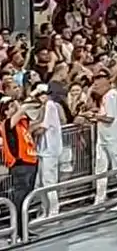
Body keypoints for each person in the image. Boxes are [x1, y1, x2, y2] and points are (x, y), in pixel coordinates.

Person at [89, 72, 117, 206]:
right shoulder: (106, 97)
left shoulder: (111, 95)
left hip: (115, 138)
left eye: (97, 85)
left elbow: (110, 118)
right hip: (104, 138)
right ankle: (100, 199)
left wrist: (94, 116)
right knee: (100, 169)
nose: (95, 87)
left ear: (106, 83)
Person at [0, 96, 38, 215]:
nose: (15, 108)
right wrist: (22, 105)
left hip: (30, 161)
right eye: (11, 107)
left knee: (28, 194)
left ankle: (25, 221)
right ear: (5, 112)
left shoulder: (22, 124)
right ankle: (18, 223)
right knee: (21, 195)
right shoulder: (7, 124)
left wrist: (16, 104)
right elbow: (22, 110)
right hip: (20, 164)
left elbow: (31, 116)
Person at [33, 84, 63, 216]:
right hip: (43, 150)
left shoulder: (50, 106)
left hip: (50, 150)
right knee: (40, 182)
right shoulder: (43, 107)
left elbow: (43, 127)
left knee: (49, 181)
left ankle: (53, 211)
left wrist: (30, 130)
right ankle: (45, 210)